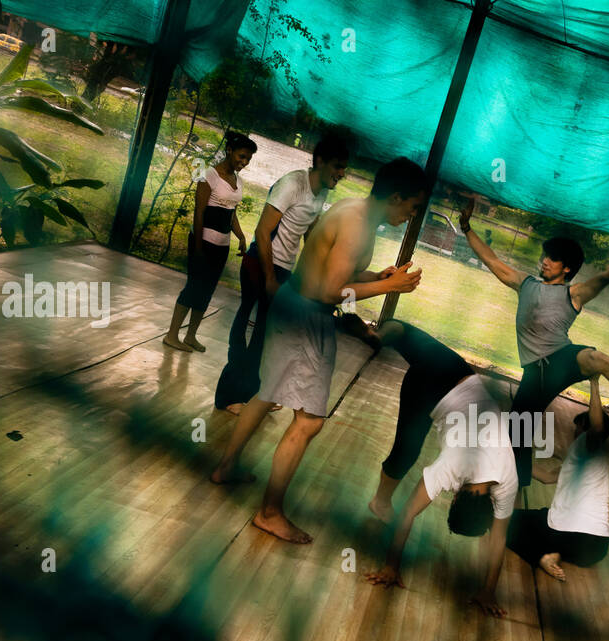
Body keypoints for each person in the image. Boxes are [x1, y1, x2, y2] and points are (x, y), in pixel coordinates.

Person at [208, 157, 427, 545]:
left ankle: (226, 468)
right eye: (412, 207)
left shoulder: (354, 210)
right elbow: (330, 291)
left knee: (265, 393)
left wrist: (375, 277)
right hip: (308, 315)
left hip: (293, 305)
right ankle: (270, 512)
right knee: (309, 421)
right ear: (396, 197)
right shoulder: (359, 227)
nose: (412, 216)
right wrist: (390, 288)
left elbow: (336, 272)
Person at [459, 197, 609, 488]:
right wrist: (466, 226)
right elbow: (491, 259)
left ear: (567, 268)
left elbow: (605, 278)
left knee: (592, 357)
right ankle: (528, 476)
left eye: (552, 258)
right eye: (544, 256)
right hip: (535, 372)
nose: (544, 261)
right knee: (516, 435)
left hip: (561, 357)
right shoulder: (525, 283)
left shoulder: (573, 294)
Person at [364, 320, 518, 617]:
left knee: (404, 334)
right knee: (405, 452)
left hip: (458, 373)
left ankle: (385, 333)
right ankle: (379, 502)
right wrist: (390, 567)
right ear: (457, 497)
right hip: (426, 393)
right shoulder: (453, 468)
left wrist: (488, 590)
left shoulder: (507, 478)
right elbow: (408, 513)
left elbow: (498, 536)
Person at [213, 134, 350, 413]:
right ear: (321, 161)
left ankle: (252, 395)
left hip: (284, 270)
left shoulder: (320, 191)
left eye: (344, 168)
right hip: (260, 265)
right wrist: (271, 278)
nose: (341, 174)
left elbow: (309, 232)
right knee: (251, 329)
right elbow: (263, 231)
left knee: (268, 336)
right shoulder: (293, 184)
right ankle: (227, 397)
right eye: (337, 166)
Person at [506, 375, 609, 581]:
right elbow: (546, 477)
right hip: (595, 549)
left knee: (507, 524)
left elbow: (597, 428)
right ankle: (556, 553)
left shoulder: (588, 444)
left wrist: (594, 383)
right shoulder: (589, 461)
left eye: (578, 426)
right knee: (544, 516)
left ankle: (543, 556)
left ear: (585, 428)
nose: (574, 431)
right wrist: (512, 460)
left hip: (572, 536)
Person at [162, 132, 256, 352]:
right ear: (230, 151)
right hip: (202, 242)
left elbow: (231, 213)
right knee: (193, 287)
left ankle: (191, 336)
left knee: (207, 290)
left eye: (248, 160)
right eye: (242, 157)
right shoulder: (209, 175)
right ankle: (172, 334)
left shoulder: (238, 181)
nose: (244, 163)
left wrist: (241, 236)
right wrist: (198, 247)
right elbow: (199, 212)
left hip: (221, 246)